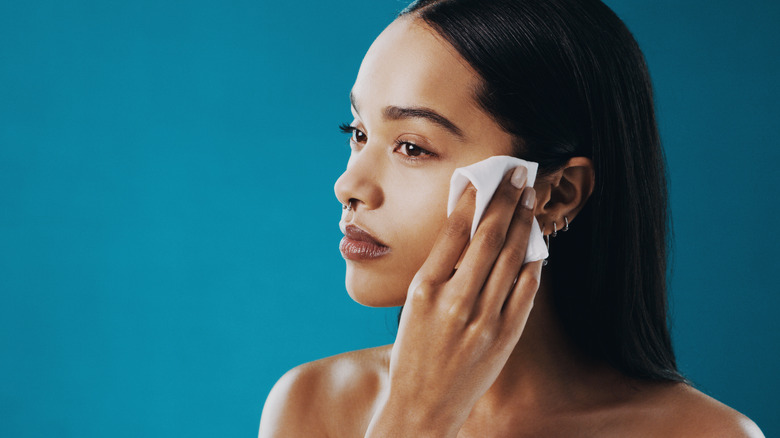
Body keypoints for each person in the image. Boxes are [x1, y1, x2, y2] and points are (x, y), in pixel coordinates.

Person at [258, 0, 764, 436]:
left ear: (558, 194)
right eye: (358, 132)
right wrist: (413, 418)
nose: (347, 186)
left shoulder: (703, 434)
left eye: (411, 146)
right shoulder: (311, 406)